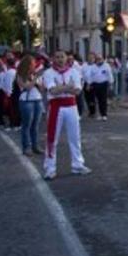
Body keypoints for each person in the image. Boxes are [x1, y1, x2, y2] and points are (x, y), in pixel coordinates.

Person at [42, 51, 90, 180]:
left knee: (75, 137)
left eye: (62, 57)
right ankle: (50, 169)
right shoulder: (48, 73)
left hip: (71, 106)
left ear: (66, 58)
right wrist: (69, 87)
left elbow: (78, 91)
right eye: (57, 57)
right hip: (55, 107)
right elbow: (52, 91)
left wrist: (62, 88)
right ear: (53, 59)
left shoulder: (74, 72)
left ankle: (77, 165)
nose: (60, 59)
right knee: (52, 138)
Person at [16, 55, 44, 156]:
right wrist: (35, 77)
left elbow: (41, 89)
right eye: (32, 64)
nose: (34, 65)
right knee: (26, 125)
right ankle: (26, 147)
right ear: (27, 65)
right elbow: (27, 87)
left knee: (35, 126)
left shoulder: (34, 75)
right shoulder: (20, 75)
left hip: (37, 100)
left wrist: (40, 81)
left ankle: (35, 146)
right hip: (26, 101)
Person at [88, 54, 112, 120]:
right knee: (96, 100)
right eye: (98, 59)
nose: (99, 60)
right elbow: (90, 76)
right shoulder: (93, 67)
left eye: (100, 59)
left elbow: (109, 75)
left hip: (104, 84)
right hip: (95, 84)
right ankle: (99, 114)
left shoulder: (106, 66)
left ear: (103, 59)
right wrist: (89, 84)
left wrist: (110, 84)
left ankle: (104, 114)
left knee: (103, 100)